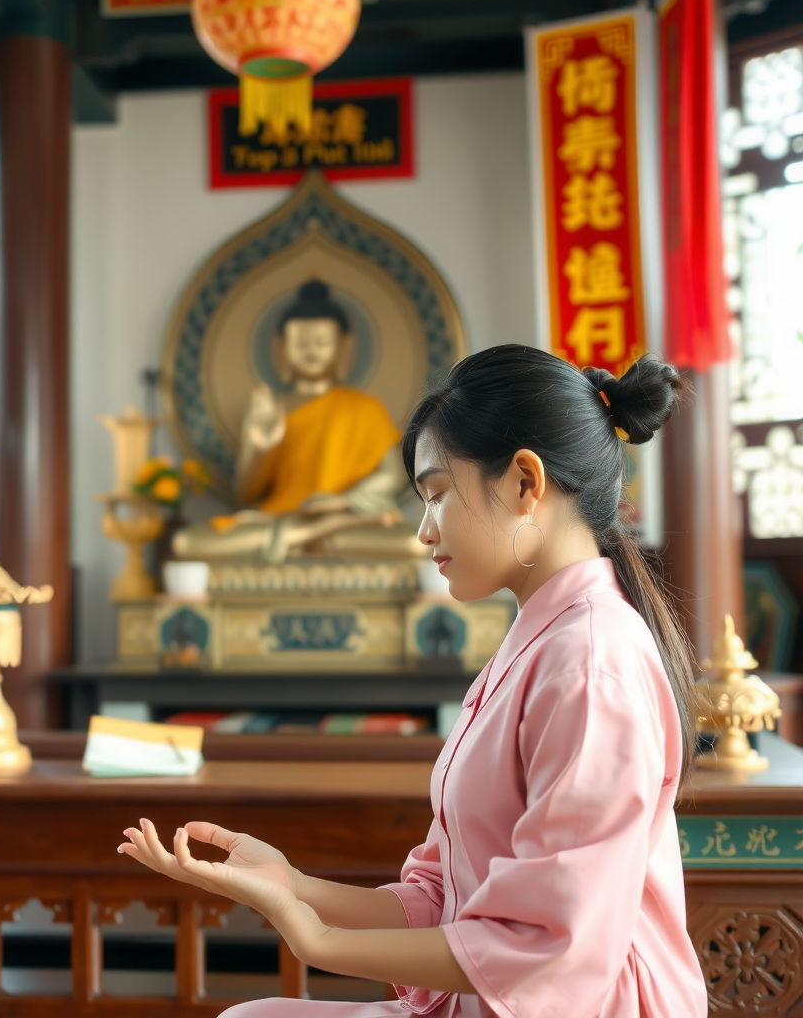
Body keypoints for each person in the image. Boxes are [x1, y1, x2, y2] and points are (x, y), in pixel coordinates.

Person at [119, 344, 709, 1018]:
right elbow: (443, 899)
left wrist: (321, 940)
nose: (424, 532)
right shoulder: (538, 641)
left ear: (525, 482)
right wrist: (292, 883)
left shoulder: (589, 661)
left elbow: (551, 945)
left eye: (435, 495)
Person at [172, 279, 426, 563]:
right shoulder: (271, 411)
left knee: (413, 543)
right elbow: (245, 495)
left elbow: (393, 474)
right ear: (281, 347)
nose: (311, 350)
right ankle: (309, 535)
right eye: (301, 342)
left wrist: (343, 502)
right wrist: (258, 447)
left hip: (347, 518)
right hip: (282, 518)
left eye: (322, 342)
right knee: (186, 542)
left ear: (344, 347)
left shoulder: (366, 408)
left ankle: (304, 537)